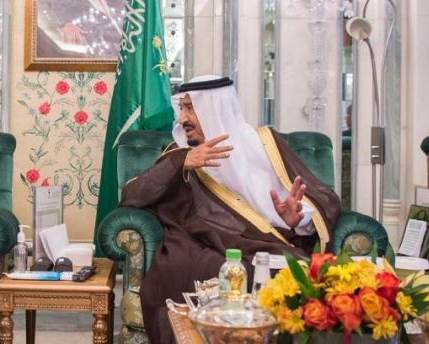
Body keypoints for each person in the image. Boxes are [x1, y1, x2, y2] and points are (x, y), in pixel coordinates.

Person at [120, 75, 341, 344]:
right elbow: (133, 195)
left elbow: (323, 198)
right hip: (202, 241)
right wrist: (181, 163)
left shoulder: (266, 144)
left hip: (268, 240)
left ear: (215, 108)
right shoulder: (178, 154)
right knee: (194, 269)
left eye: (191, 108)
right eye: (182, 108)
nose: (183, 118)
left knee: (287, 271)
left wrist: (296, 220)